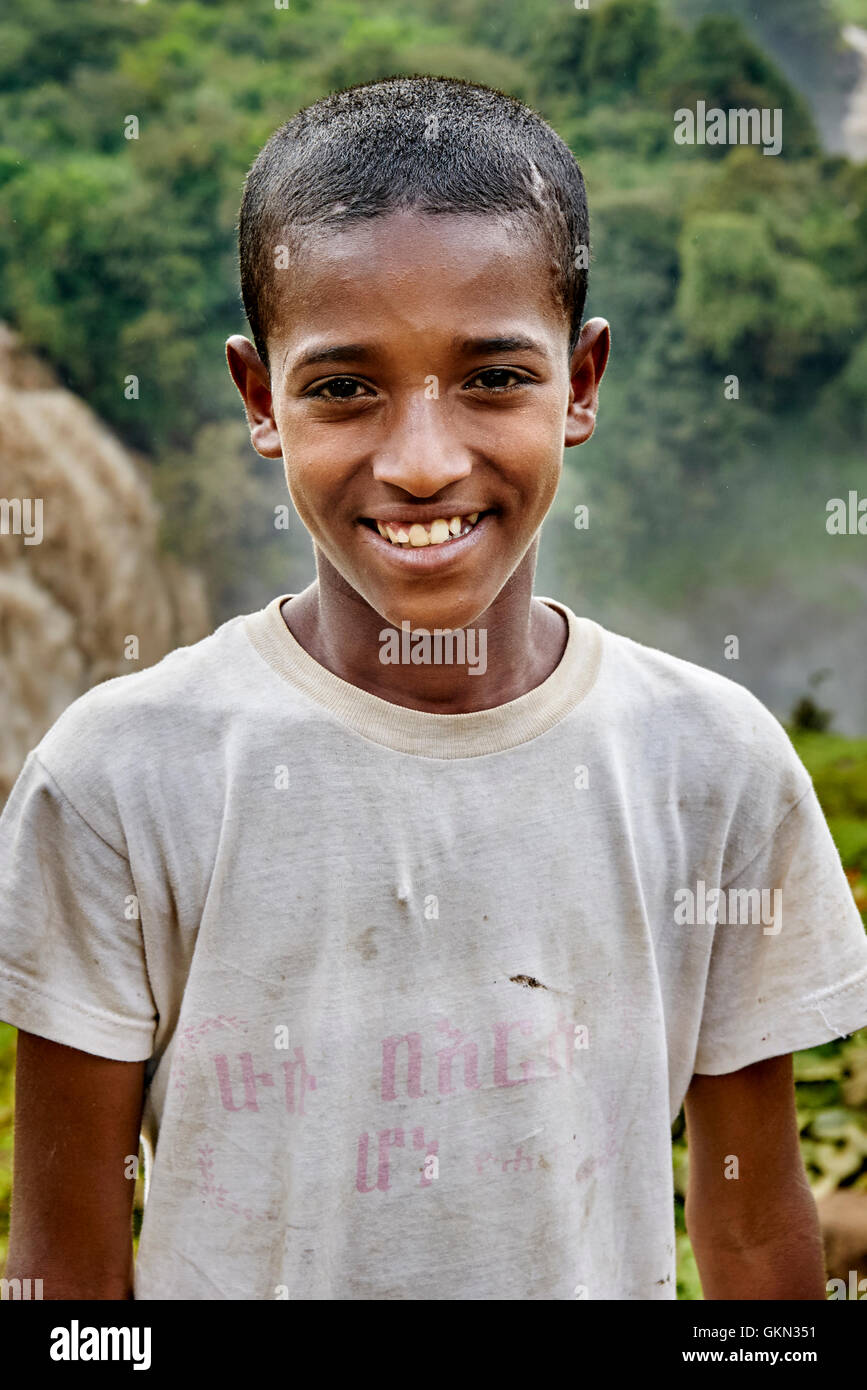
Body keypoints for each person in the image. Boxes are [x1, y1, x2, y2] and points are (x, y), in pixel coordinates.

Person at [2, 75, 866, 1301]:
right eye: (346, 387)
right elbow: (64, 1274)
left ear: (581, 379)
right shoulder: (119, 778)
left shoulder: (709, 765)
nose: (421, 462)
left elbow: (751, 1237)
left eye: (494, 377)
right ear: (261, 399)